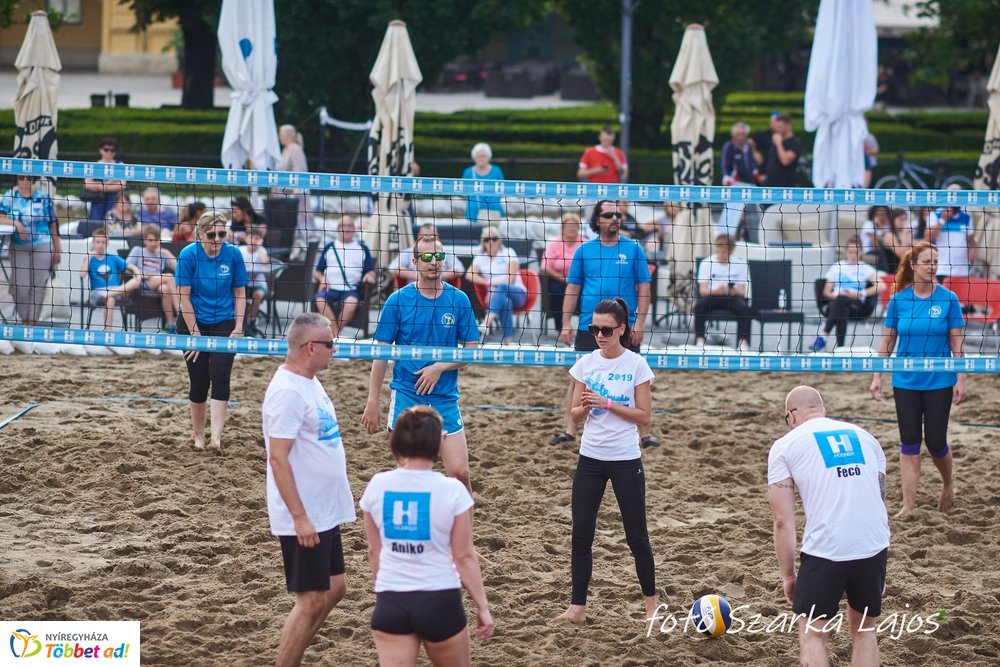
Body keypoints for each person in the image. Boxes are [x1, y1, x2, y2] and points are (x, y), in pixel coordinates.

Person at [360, 406, 494, 666]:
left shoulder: (377, 484)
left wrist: (385, 588)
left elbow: (374, 552)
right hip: (439, 598)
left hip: (391, 600)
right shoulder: (452, 490)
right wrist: (483, 607)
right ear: (437, 444)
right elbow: (463, 556)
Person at [767, 386, 889, 667]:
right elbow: (877, 500)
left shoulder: (785, 445)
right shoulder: (866, 438)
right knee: (865, 632)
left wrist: (788, 575)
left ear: (792, 415)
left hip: (827, 548)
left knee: (813, 634)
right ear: (821, 410)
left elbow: (783, 521)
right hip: (873, 544)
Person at [551, 298, 656, 625]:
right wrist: (586, 408)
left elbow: (644, 417)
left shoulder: (636, 365)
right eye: (594, 328)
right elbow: (574, 415)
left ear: (622, 329)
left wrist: (607, 403)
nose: (599, 334)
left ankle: (651, 607)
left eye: (606, 329)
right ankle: (577, 609)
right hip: (591, 460)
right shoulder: (586, 363)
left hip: (625, 459)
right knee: (581, 535)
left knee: (636, 536)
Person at [263, 312, 355, 667]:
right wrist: (300, 517)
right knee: (311, 599)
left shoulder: (309, 380)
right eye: (331, 344)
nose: (336, 349)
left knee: (335, 589)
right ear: (311, 347)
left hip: (323, 508)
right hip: (304, 512)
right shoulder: (286, 393)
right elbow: (278, 459)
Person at [362, 235, 480, 495]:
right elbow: (381, 353)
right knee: (410, 475)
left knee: (459, 474)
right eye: (427, 257)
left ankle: (463, 533)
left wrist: (440, 366)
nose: (433, 262)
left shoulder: (458, 300)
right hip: (407, 395)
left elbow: (472, 350)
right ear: (415, 262)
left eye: (438, 256)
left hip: (444, 397)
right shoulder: (397, 300)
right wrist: (373, 401)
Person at [870, 241, 966, 514]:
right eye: (927, 262)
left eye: (936, 262)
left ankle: (948, 483)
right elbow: (887, 343)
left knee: (936, 443)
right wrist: (877, 376)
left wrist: (962, 379)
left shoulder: (949, 299)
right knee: (909, 442)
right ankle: (908, 506)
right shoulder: (899, 300)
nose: (932, 266)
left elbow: (957, 345)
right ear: (913, 265)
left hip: (939, 379)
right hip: (905, 379)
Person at [552, 200, 653, 448]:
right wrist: (566, 323)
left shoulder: (634, 249)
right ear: (597, 220)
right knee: (578, 379)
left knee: (636, 379)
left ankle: (644, 434)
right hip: (590, 324)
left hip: (623, 326)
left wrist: (639, 322)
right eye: (609, 214)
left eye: (618, 214)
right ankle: (569, 429)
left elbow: (645, 287)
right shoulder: (585, 251)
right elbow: (573, 288)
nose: (615, 218)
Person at [175, 211, 249, 450]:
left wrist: (238, 326)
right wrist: (195, 334)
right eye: (212, 234)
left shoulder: (233, 254)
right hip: (192, 321)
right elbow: (183, 298)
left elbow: (240, 293)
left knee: (220, 374)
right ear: (200, 234)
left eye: (222, 233)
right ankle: (199, 436)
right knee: (198, 381)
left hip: (224, 321)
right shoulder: (188, 255)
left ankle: (216, 437)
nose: (218, 239)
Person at [0, 175, 60, 326]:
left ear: (33, 179)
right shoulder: (10, 195)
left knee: (39, 284)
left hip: (43, 243)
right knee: (21, 286)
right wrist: (17, 224)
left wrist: (57, 249)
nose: (25, 180)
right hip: (19, 245)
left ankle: (31, 322)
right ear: (17, 179)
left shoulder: (43, 197)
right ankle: (24, 318)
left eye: (28, 178)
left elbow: (53, 223)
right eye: (21, 178)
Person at [810, 236, 880, 352]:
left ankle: (823, 336)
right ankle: (840, 348)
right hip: (838, 304)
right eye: (851, 252)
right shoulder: (837, 267)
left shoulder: (866, 268)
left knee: (840, 302)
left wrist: (860, 293)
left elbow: (881, 285)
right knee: (842, 307)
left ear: (861, 252)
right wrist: (838, 297)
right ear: (846, 252)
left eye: (856, 252)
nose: (853, 255)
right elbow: (826, 292)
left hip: (857, 306)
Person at [314, 215, 376, 338]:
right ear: (338, 229)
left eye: (350, 226)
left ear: (354, 229)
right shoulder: (329, 247)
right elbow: (317, 271)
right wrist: (322, 278)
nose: (347, 229)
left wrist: (370, 275)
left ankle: (333, 336)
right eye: (344, 226)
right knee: (320, 300)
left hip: (351, 290)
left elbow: (371, 271)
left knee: (352, 303)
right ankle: (336, 337)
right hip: (330, 288)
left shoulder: (363, 248)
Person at [466, 225, 526, 344]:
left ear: (499, 240)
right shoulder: (480, 258)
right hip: (498, 297)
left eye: (494, 239)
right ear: (483, 242)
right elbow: (469, 274)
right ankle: (508, 341)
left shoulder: (508, 252)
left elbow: (511, 279)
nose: (491, 242)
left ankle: (486, 322)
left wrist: (492, 288)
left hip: (518, 293)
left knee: (503, 287)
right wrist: (488, 284)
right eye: (487, 239)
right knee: (506, 302)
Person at [693, 233, 753, 351]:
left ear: (731, 251)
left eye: (727, 252)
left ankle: (743, 343)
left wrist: (733, 291)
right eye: (721, 251)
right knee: (699, 307)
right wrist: (716, 290)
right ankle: (699, 341)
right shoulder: (706, 263)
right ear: (717, 248)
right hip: (711, 297)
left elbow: (742, 292)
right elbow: (703, 291)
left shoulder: (740, 264)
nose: (723, 255)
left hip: (731, 298)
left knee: (745, 309)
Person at [123, 224, 178, 331]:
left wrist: (167, 252)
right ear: (145, 240)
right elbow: (125, 269)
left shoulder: (161, 254)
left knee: (165, 289)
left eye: (156, 240)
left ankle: (170, 326)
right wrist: (141, 275)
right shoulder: (138, 250)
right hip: (143, 282)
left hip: (157, 282)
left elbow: (178, 268)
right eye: (150, 240)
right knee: (170, 277)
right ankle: (180, 313)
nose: (153, 243)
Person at [540, 212, 583, 332]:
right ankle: (561, 328)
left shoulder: (584, 243)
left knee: (589, 292)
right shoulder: (555, 244)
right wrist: (565, 280)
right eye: (569, 226)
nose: (572, 228)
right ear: (562, 228)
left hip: (581, 280)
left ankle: (585, 329)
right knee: (556, 291)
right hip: (560, 279)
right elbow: (545, 267)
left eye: (575, 225)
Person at [80, 227, 128, 330]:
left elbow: (128, 267)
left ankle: (107, 331)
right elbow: (82, 275)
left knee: (110, 298)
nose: (101, 245)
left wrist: (136, 273)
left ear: (107, 244)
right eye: (98, 242)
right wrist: (88, 257)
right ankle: (108, 330)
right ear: (93, 243)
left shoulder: (113, 257)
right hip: (97, 293)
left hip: (115, 291)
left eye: (103, 242)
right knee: (110, 299)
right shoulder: (90, 259)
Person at [388, 223, 464, 286]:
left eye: (438, 257)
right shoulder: (409, 251)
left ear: (438, 237)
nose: (429, 238)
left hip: (442, 290)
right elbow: (393, 267)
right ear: (418, 237)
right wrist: (420, 277)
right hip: (414, 291)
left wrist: (437, 276)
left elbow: (459, 268)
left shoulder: (447, 251)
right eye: (426, 257)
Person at [719, 122, 759, 236]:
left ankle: (754, 236)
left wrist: (755, 172)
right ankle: (726, 236)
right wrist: (726, 177)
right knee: (732, 214)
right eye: (738, 134)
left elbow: (752, 162)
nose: (741, 137)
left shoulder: (749, 146)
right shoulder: (729, 147)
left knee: (753, 213)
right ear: (734, 135)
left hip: (750, 185)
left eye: (743, 134)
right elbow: (724, 164)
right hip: (736, 185)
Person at [926, 190, 976, 280]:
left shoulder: (966, 216)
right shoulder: (935, 214)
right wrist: (942, 220)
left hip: (962, 271)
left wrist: (972, 254)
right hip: (941, 270)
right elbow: (929, 238)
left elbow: (971, 242)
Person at [82, 136, 126, 222]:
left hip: (114, 200)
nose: (109, 152)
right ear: (100, 150)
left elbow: (122, 185)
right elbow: (87, 184)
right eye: (106, 149)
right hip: (97, 200)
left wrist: (99, 186)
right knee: (95, 223)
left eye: (112, 150)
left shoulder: (120, 165)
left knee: (112, 223)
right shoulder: (94, 165)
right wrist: (110, 183)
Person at [239, 225, 270, 337]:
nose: (254, 241)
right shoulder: (240, 250)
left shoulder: (262, 251)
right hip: (242, 284)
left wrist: (260, 248)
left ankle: (249, 322)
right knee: (235, 295)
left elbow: (265, 262)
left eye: (257, 238)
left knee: (258, 295)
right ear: (246, 238)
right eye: (252, 237)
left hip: (258, 284)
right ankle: (240, 321)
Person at [462, 142, 505, 223]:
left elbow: (501, 191)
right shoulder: (468, 172)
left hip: (493, 211)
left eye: (483, 156)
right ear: (474, 157)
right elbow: (464, 193)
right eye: (478, 156)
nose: (481, 158)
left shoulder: (497, 171)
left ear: (488, 157)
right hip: (473, 212)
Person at [761, 113, 801, 188]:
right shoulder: (776, 141)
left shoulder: (794, 142)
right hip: (771, 186)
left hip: (785, 187)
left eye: (780, 126)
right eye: (776, 126)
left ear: (788, 125)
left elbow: (785, 161)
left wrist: (779, 144)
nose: (777, 129)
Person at [878, 208, 913, 275]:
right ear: (893, 220)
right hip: (891, 273)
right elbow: (902, 255)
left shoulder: (904, 234)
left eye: (905, 219)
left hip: (903, 270)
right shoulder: (889, 235)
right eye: (900, 219)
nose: (903, 222)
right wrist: (905, 234)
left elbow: (910, 254)